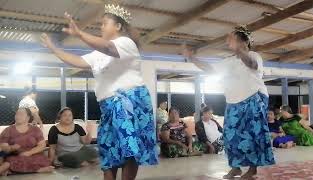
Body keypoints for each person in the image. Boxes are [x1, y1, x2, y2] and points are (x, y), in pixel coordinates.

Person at [40, 4, 158, 180]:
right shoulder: (98, 53)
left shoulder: (126, 43)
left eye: (105, 23)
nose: (101, 27)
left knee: (129, 150)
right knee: (108, 152)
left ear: (118, 26)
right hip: (108, 106)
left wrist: (80, 34)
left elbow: (109, 47)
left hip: (129, 102)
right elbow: (78, 61)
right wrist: (54, 49)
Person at [185, 25, 275, 179]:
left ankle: (252, 170)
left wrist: (240, 51)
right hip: (233, 102)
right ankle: (236, 167)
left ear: (244, 41)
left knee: (252, 135)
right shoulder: (228, 61)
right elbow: (209, 68)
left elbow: (252, 65)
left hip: (253, 98)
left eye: (232, 39)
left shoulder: (254, 55)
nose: (228, 43)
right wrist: (192, 58)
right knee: (230, 135)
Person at [0, 108, 53, 174]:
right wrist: (12, 148)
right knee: (12, 161)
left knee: (43, 160)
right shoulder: (8, 130)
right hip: (16, 156)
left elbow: (42, 145)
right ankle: (37, 170)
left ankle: (13, 170)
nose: (18, 116)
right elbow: (3, 147)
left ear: (28, 117)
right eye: (17, 114)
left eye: (21, 114)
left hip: (33, 155)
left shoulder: (35, 129)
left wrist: (29, 153)